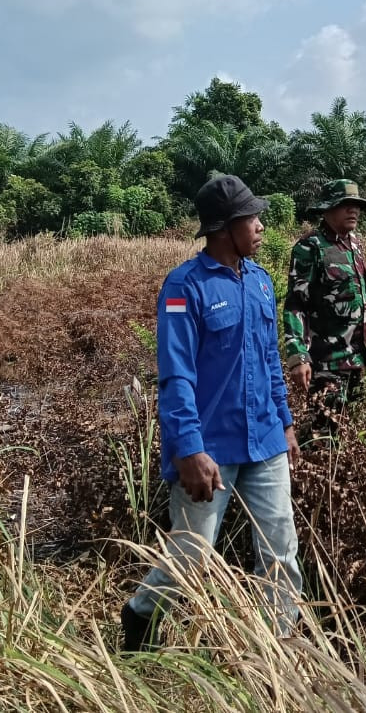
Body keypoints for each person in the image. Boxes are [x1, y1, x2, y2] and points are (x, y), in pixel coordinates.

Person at [119, 175, 302, 652]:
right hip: (209, 450)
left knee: (281, 551)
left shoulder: (261, 283)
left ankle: (274, 647)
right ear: (224, 227)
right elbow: (176, 375)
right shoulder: (184, 287)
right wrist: (188, 449)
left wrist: (285, 423)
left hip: (264, 440)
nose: (262, 226)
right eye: (252, 219)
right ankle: (140, 619)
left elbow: (270, 362)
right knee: (194, 554)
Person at [283, 179, 366, 442]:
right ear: (327, 209)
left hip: (356, 360)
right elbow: (295, 304)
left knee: (350, 436)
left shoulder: (354, 245)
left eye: (356, 205)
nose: (353, 210)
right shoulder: (310, 247)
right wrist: (297, 354)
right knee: (323, 438)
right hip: (326, 363)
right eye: (345, 205)